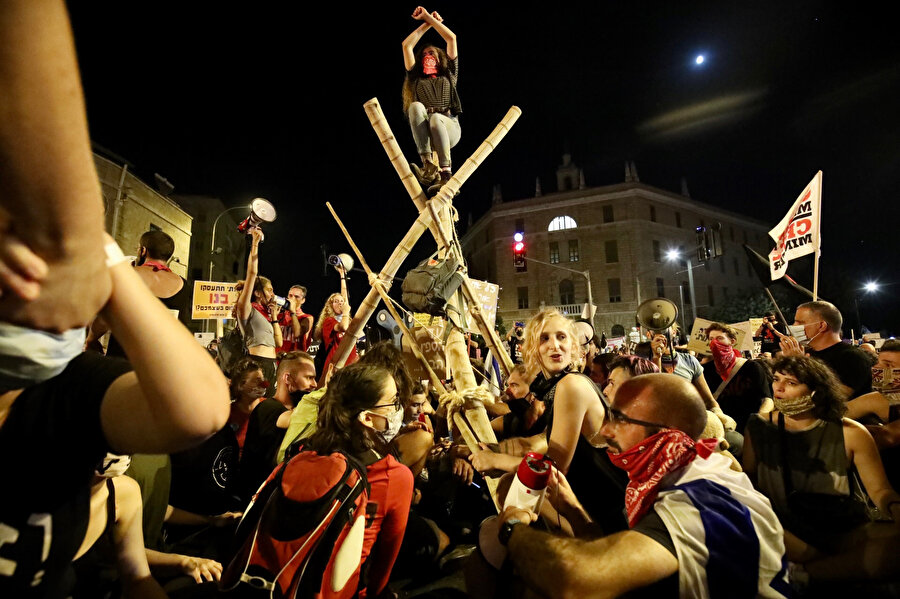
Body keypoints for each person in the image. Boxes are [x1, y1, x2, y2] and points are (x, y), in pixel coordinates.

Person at [494, 374, 789, 598]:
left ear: (664, 433)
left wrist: (514, 529)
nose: (606, 430)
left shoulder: (695, 501)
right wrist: (572, 510)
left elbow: (576, 579)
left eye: (619, 419)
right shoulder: (687, 469)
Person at [743, 355, 900, 582]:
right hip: (785, 529)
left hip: (842, 528)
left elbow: (880, 491)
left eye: (792, 383)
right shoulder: (758, 426)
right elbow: (751, 482)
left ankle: (803, 576)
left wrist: (895, 508)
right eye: (776, 379)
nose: (779, 387)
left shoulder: (850, 432)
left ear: (816, 391)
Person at [469, 309, 628, 534]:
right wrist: (496, 454)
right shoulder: (559, 387)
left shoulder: (571, 385)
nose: (555, 345)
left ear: (573, 346)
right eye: (545, 338)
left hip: (607, 519)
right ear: (533, 349)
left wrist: (496, 461)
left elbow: (554, 472)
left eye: (561, 337)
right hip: (596, 507)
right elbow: (542, 443)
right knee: (508, 485)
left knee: (506, 499)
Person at [302, 362, 414, 599]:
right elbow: (382, 568)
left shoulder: (304, 453)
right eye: (393, 402)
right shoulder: (393, 475)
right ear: (367, 417)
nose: (397, 409)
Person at [87, 229, 190, 357]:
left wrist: (91, 339)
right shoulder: (183, 284)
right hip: (163, 363)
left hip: (125, 360)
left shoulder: (126, 275)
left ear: (143, 251)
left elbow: (105, 319)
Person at [402, 6, 461, 196]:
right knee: (415, 106)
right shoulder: (416, 79)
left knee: (436, 118)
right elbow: (406, 46)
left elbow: (451, 39)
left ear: (439, 59)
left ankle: (446, 173)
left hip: (449, 126)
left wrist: (429, 19)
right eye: (425, 55)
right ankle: (428, 164)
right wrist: (424, 25)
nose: (429, 56)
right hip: (428, 131)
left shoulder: (449, 75)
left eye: (432, 54)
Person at [780, 300, 872, 398]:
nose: (793, 326)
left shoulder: (853, 357)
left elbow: (835, 398)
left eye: (800, 322)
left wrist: (800, 364)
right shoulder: (806, 353)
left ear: (821, 326)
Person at [234, 227, 282, 395]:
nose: (273, 294)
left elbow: (279, 343)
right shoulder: (246, 309)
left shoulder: (266, 315)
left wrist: (274, 317)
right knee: (255, 405)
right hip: (257, 363)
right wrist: (255, 244)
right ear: (257, 293)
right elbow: (252, 273)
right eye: (269, 290)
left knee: (269, 403)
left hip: (271, 363)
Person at [704, 321, 771, 433]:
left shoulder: (751, 367)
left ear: (732, 341)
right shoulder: (705, 370)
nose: (714, 342)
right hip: (722, 430)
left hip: (749, 428)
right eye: (711, 339)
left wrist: (760, 420)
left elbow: (767, 398)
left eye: (720, 338)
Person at [314, 265, 357, 387]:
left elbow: (345, 296)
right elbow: (342, 327)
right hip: (336, 366)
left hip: (350, 365)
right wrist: (345, 312)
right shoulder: (329, 321)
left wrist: (342, 275)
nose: (340, 303)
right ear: (330, 305)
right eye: (336, 301)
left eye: (341, 301)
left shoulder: (347, 319)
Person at [275, 284, 314, 353]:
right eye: (290, 295)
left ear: (303, 300)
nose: (292, 299)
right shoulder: (279, 315)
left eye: (296, 297)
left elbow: (297, 333)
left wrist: (292, 311)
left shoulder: (307, 318)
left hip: (295, 359)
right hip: (278, 357)